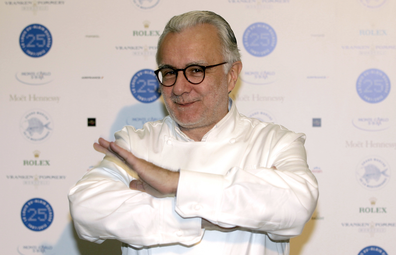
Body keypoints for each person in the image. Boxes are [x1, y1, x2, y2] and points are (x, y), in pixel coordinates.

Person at [68, 10, 319, 255]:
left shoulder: (275, 142)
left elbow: (296, 206)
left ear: (231, 76)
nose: (179, 87)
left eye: (196, 70)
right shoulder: (134, 144)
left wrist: (174, 183)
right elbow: (86, 208)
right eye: (169, 72)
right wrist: (225, 212)